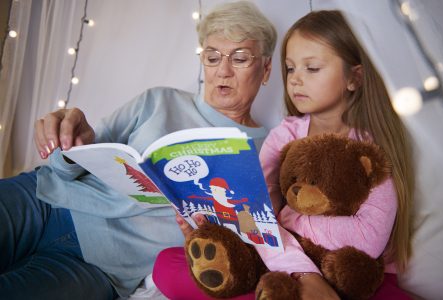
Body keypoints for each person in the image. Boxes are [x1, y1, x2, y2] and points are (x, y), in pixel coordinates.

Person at [0, 1, 276, 299]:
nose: (223, 71)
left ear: (266, 68)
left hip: (100, 267)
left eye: (240, 58)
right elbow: (67, 164)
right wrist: (70, 143)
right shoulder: (158, 100)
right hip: (45, 200)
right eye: (212, 56)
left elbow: (250, 248)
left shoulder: (268, 153)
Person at [155, 9, 415, 300]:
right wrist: (301, 272)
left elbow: (368, 239)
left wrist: (290, 219)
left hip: (353, 272)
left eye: (312, 68)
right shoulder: (284, 136)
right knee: (167, 264)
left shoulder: (372, 149)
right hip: (285, 261)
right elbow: (258, 218)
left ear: (354, 77)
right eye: (290, 68)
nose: (295, 80)